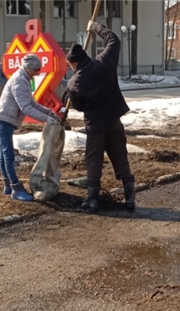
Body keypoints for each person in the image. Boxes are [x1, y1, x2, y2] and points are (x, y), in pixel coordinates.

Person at [65, 20, 135, 212]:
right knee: (121, 158)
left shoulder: (73, 84)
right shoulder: (104, 62)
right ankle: (130, 201)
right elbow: (114, 40)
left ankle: (93, 201)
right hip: (114, 121)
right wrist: (96, 28)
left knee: (93, 162)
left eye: (70, 64)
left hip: (95, 127)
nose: (71, 67)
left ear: (74, 63)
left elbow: (79, 107)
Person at [0, 54, 61, 202]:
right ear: (28, 67)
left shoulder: (23, 79)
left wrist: (49, 112)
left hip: (5, 120)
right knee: (8, 155)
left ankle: (8, 186)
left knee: (4, 155)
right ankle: (16, 188)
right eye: (36, 69)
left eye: (39, 70)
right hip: (3, 120)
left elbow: (32, 103)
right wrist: (46, 119)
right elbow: (26, 108)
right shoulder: (19, 81)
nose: (37, 73)